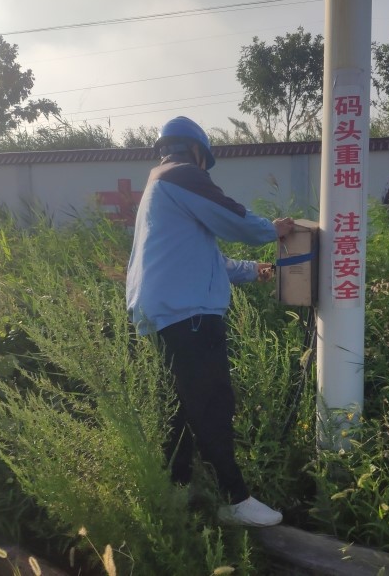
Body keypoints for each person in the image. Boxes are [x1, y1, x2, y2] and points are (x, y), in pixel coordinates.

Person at [126, 116, 294, 527]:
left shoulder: (158, 187)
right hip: (188, 314)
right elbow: (236, 220)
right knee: (213, 403)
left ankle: (177, 493)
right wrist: (272, 229)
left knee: (181, 407)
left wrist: (254, 270)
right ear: (196, 151)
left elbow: (206, 258)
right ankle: (235, 501)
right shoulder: (182, 174)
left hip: (162, 313)